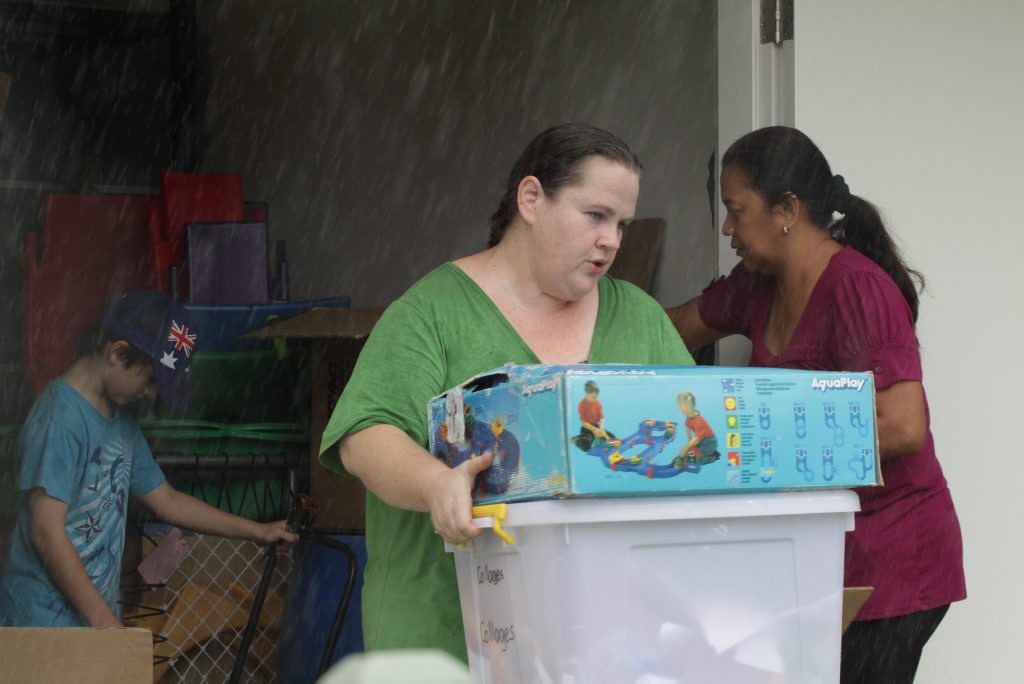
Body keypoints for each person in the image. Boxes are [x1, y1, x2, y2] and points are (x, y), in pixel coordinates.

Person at [319, 123, 694, 660]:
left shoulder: (639, 317)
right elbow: (362, 435)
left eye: (622, 223)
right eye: (595, 215)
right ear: (532, 199)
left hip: (597, 647)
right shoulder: (431, 313)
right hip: (441, 640)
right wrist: (434, 485)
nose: (611, 239)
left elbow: (696, 451)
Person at [665, 125, 965, 683]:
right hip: (822, 554)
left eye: (736, 209)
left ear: (787, 209)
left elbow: (901, 426)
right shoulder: (756, 283)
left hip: (896, 552)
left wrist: (755, 440)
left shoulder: (858, 288)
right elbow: (671, 330)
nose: (728, 228)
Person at [0, 290, 298, 627]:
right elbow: (45, 532)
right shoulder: (58, 420)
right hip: (40, 622)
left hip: (90, 624)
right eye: (151, 379)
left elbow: (167, 500)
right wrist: (105, 623)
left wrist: (257, 531)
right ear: (117, 352)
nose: (151, 393)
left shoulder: (123, 427)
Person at [675, 391, 719, 466]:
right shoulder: (689, 418)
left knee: (697, 461)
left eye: (681, 405)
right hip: (700, 440)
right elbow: (689, 440)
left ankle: (713, 456)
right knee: (690, 455)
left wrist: (683, 451)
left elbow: (693, 441)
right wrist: (687, 452)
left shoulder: (699, 422)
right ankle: (703, 453)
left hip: (710, 442)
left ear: (688, 406)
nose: (680, 408)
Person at [573, 380, 614, 452]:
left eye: (596, 397)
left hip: (596, 425)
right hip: (587, 428)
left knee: (612, 438)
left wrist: (601, 427)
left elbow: (601, 417)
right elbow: (584, 422)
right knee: (586, 447)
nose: (595, 399)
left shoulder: (597, 403)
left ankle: (603, 446)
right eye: (593, 397)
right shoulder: (582, 405)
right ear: (587, 394)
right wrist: (594, 430)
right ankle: (578, 439)